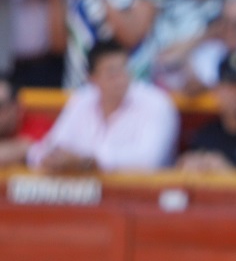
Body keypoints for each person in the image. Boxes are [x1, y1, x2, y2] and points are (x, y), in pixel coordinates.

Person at [27, 40, 179, 173]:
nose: (120, 79)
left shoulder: (156, 103)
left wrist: (89, 162)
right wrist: (48, 158)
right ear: (92, 78)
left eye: (124, 69)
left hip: (143, 194)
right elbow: (51, 147)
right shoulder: (82, 100)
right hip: (84, 194)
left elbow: (149, 160)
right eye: (112, 73)